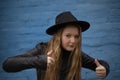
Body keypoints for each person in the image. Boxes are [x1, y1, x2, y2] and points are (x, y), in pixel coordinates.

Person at [2, 11, 110, 80]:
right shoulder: (43, 49)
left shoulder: (76, 55)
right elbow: (8, 64)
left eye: (76, 36)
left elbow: (100, 64)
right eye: (68, 36)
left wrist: (104, 68)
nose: (73, 41)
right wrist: (41, 61)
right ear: (59, 36)